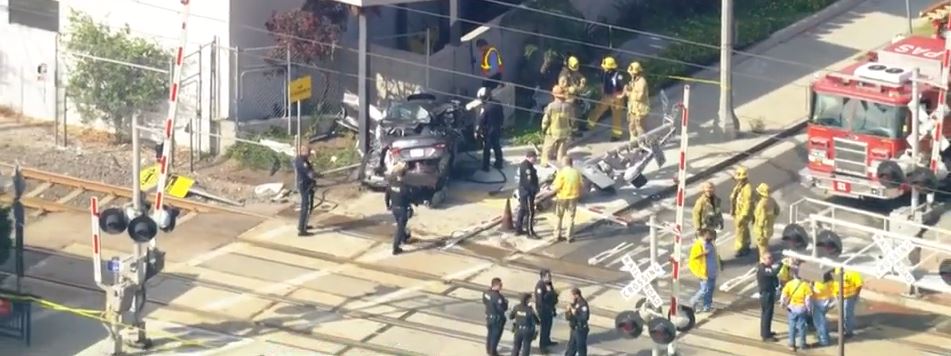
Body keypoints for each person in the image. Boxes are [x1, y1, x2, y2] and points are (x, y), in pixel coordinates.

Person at [585, 56, 626, 141]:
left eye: (605, 67)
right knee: (598, 109)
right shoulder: (605, 73)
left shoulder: (618, 76)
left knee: (616, 116)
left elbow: (624, 86)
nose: (603, 68)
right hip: (607, 96)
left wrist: (621, 96)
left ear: (609, 67)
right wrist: (602, 92)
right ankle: (589, 125)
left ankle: (616, 135)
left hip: (617, 98)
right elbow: (602, 84)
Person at [688, 228, 722, 313]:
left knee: (710, 289)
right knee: (704, 290)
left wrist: (719, 266)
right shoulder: (698, 244)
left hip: (712, 271)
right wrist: (704, 253)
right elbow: (693, 257)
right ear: (704, 235)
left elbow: (715, 256)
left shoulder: (711, 244)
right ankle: (692, 302)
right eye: (710, 235)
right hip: (703, 272)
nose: (712, 237)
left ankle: (707, 306)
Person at [384, 162, 414, 255]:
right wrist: (411, 207)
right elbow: (409, 198)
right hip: (402, 209)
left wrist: (388, 205)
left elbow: (387, 195)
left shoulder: (391, 184)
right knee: (400, 227)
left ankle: (404, 238)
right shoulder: (405, 187)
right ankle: (395, 247)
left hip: (394, 208)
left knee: (400, 224)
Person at [552, 156, 583, 242]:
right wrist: (580, 195)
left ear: (564, 163)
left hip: (562, 197)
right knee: (571, 217)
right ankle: (569, 236)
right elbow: (581, 185)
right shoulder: (576, 172)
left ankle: (557, 235)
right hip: (573, 197)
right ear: (571, 163)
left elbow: (557, 186)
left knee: (559, 216)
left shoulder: (561, 173)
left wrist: (551, 193)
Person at [541, 85, 573, 166]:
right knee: (561, 150)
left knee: (548, 148)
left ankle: (545, 163)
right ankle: (560, 163)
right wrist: (571, 128)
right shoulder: (568, 106)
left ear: (554, 95)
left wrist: (544, 128)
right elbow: (572, 119)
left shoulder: (551, 106)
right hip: (564, 131)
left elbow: (546, 119)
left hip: (553, 131)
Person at [781, 273, 813, 352]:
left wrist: (782, 303)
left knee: (792, 326)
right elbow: (808, 300)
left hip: (792, 308)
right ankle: (802, 344)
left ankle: (792, 344)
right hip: (801, 308)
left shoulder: (789, 284)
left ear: (794, 275)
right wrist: (808, 309)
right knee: (802, 326)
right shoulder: (805, 285)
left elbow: (784, 295)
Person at [476, 87, 505, 171]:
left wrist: (477, 130)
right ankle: (499, 163)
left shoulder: (485, 107)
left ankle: (486, 167)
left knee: (487, 149)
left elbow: (481, 120)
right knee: (497, 146)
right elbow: (501, 116)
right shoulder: (498, 104)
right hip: (497, 129)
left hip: (488, 131)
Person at [756, 253, 781, 342]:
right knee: (766, 314)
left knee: (768, 314)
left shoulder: (767, 267)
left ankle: (767, 332)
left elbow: (773, 276)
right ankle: (765, 336)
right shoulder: (762, 268)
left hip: (769, 292)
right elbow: (773, 273)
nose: (771, 259)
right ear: (763, 259)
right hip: (766, 294)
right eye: (769, 258)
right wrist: (781, 264)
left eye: (771, 257)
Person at [730, 166, 754, 257]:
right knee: (744, 230)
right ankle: (746, 245)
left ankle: (740, 248)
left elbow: (747, 203)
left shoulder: (747, 188)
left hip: (742, 214)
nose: (737, 180)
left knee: (740, 231)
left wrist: (742, 216)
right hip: (738, 212)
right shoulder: (740, 186)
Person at [833, 267, 863, 338]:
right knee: (841, 313)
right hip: (839, 296)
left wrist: (856, 294)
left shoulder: (853, 272)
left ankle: (849, 332)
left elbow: (859, 285)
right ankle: (842, 329)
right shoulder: (837, 268)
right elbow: (835, 281)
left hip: (849, 296)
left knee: (848, 314)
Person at [515, 151, 540, 237]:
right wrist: (535, 190)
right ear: (530, 157)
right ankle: (530, 232)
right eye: (534, 158)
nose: (535, 160)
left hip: (523, 191)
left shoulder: (524, 165)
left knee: (522, 210)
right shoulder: (527, 168)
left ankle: (518, 229)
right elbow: (528, 182)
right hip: (527, 193)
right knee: (530, 212)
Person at [559, 55, 587, 131]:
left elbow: (579, 75)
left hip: (576, 95)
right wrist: (569, 89)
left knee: (579, 111)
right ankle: (574, 130)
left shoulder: (574, 71)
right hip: (568, 98)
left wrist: (582, 80)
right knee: (573, 113)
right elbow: (561, 87)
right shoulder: (564, 75)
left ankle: (581, 126)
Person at [294, 147, 317, 237]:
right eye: (308, 152)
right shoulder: (302, 162)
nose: (309, 154)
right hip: (305, 185)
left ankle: (303, 225)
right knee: (306, 207)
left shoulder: (302, 160)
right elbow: (310, 173)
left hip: (306, 184)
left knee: (308, 206)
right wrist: (315, 175)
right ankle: (302, 229)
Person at [752, 183, 780, 258]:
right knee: (766, 245)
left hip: (761, 230)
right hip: (769, 228)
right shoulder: (771, 200)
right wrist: (771, 219)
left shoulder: (762, 204)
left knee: (762, 248)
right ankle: (767, 258)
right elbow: (777, 211)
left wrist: (759, 231)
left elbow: (761, 219)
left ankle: (763, 262)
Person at [624, 61, 649, 142]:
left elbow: (640, 96)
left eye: (631, 72)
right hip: (633, 108)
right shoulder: (634, 80)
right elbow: (633, 90)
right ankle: (633, 141)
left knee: (639, 127)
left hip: (640, 109)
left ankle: (643, 144)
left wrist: (629, 93)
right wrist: (628, 88)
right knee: (632, 125)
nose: (630, 74)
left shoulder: (642, 82)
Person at [534, 269, 558, 352]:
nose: (550, 277)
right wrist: (549, 294)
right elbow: (540, 300)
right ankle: (542, 345)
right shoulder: (540, 286)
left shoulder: (549, 284)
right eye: (548, 276)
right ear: (543, 277)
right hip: (543, 310)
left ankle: (547, 341)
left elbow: (552, 295)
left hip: (549, 308)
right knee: (544, 327)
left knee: (549, 326)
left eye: (550, 276)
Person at [483, 277, 508, 356]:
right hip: (496, 319)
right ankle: (493, 352)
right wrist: (506, 303)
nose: (501, 286)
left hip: (488, 316)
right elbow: (502, 309)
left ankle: (488, 349)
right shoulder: (498, 297)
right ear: (496, 285)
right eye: (500, 284)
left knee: (490, 334)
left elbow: (485, 301)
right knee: (495, 336)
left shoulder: (486, 293)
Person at [811, 271, 835, 347]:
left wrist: (811, 286)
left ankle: (824, 340)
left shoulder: (820, 283)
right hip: (827, 302)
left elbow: (815, 291)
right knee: (823, 321)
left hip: (819, 303)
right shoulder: (831, 281)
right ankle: (826, 337)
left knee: (820, 322)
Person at [564, 288, 590, 356]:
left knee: (580, 347)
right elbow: (568, 318)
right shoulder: (573, 303)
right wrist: (567, 311)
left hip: (580, 329)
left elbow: (585, 318)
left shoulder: (583, 304)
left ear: (576, 295)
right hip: (573, 328)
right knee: (571, 347)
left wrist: (575, 313)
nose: (570, 297)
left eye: (571, 295)